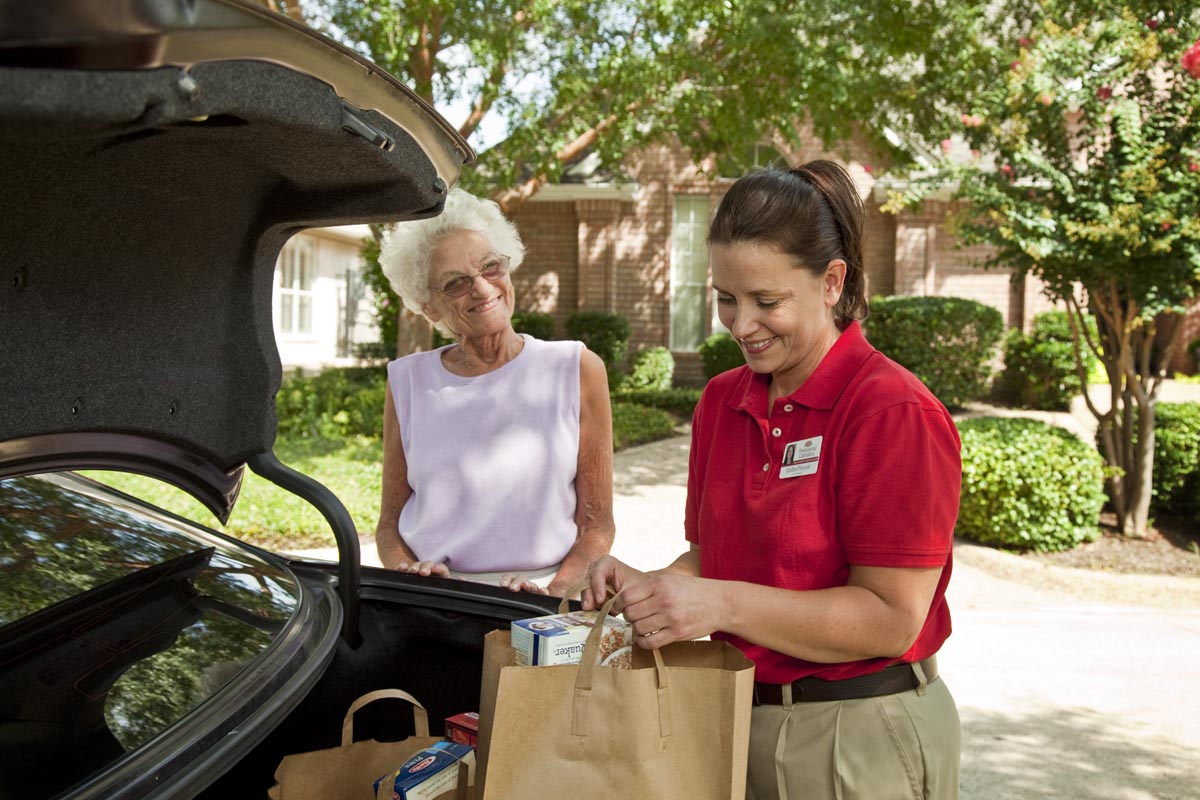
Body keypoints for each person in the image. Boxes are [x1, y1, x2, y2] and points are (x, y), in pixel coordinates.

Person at [583, 162, 962, 799]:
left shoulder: (891, 411)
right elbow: (713, 556)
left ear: (832, 282)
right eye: (726, 298)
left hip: (858, 732)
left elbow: (890, 618)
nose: (740, 324)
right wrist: (655, 590)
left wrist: (720, 604)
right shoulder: (721, 401)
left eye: (767, 301)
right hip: (734, 717)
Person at [375, 188, 615, 596]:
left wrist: (554, 595)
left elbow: (597, 526)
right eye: (456, 284)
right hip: (438, 601)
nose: (484, 290)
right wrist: (409, 573)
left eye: (491, 267)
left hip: (544, 596)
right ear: (427, 306)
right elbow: (389, 526)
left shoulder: (576, 368)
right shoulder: (407, 381)